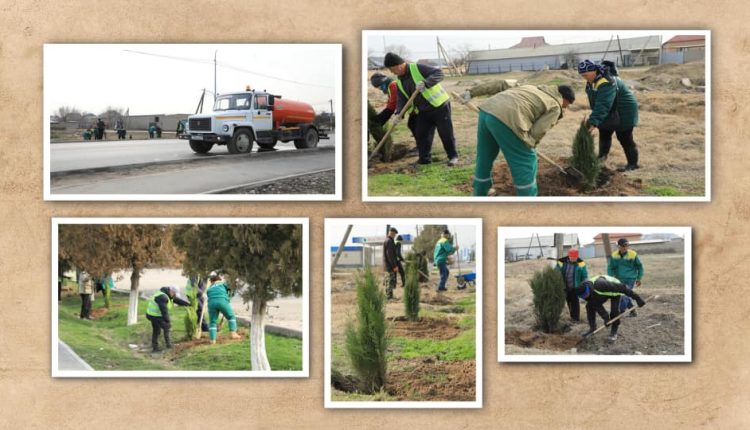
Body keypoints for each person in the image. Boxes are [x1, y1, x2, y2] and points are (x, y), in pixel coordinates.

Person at [471, 84, 576, 196]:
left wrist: (472, 92)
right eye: (567, 104)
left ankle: (480, 192)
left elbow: (503, 83)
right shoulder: (555, 105)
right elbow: (538, 130)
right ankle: (528, 200)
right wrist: (530, 145)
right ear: (564, 98)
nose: (566, 107)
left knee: (485, 155)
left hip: (487, 110)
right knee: (526, 160)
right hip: (508, 119)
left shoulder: (531, 87)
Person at [384, 52, 459, 167]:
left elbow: (439, 73)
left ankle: (453, 156)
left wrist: (426, 82)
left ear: (399, 65)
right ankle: (424, 160)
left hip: (439, 106)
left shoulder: (417, 68)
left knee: (445, 133)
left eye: (392, 69)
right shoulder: (399, 80)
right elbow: (402, 98)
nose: (391, 72)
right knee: (421, 135)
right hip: (422, 111)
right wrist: (399, 113)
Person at [578, 59, 641, 171]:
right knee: (605, 132)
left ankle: (633, 164)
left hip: (624, 111)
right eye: (582, 75)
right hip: (610, 110)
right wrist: (597, 119)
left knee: (624, 137)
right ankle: (602, 158)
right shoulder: (593, 80)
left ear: (594, 71)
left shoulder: (606, 81)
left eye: (585, 75)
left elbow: (603, 104)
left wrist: (593, 121)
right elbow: (597, 102)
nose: (584, 78)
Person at [576, 275, 646, 341]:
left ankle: (614, 332)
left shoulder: (600, 284)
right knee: (589, 306)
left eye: (585, 295)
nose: (585, 297)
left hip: (615, 290)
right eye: (583, 297)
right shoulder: (584, 291)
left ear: (588, 290)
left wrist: (637, 298)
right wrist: (606, 318)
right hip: (602, 293)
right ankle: (592, 328)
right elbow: (597, 305)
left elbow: (624, 288)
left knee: (614, 312)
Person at [145, 286, 190, 352]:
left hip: (154, 314)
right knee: (165, 327)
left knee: (157, 330)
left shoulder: (167, 294)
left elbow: (177, 300)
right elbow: (164, 311)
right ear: (171, 291)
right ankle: (166, 345)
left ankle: (156, 347)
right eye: (174, 293)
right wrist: (168, 321)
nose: (175, 295)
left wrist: (188, 304)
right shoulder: (162, 297)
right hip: (154, 315)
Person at [607, 238, 645, 316]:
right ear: (619, 246)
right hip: (619, 280)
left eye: (627, 245)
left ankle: (621, 312)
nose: (626, 247)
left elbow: (640, 267)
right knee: (623, 296)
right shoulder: (614, 255)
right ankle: (633, 311)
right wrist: (611, 278)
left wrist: (639, 278)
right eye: (624, 246)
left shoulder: (633, 254)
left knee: (624, 296)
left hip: (630, 279)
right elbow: (610, 268)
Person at [206, 271, 241, 344]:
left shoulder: (209, 288)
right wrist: (231, 294)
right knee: (231, 317)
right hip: (222, 301)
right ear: (219, 280)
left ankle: (212, 340)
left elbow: (210, 295)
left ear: (212, 282)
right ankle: (233, 334)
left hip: (211, 303)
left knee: (212, 322)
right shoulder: (222, 284)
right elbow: (231, 288)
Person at [556, 248, 588, 322]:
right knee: (567, 302)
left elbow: (584, 275)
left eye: (575, 258)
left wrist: (585, 283)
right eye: (571, 258)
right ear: (569, 256)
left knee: (575, 303)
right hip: (564, 286)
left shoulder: (581, 263)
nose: (573, 259)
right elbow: (556, 271)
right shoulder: (561, 261)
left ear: (577, 257)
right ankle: (568, 317)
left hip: (575, 287)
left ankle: (575, 319)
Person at [382, 227, 400, 299]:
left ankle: (390, 296)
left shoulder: (388, 240)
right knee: (389, 281)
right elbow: (390, 255)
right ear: (391, 233)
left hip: (387, 265)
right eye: (394, 234)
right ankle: (389, 297)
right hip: (389, 266)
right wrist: (394, 266)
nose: (394, 235)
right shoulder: (389, 241)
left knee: (388, 281)